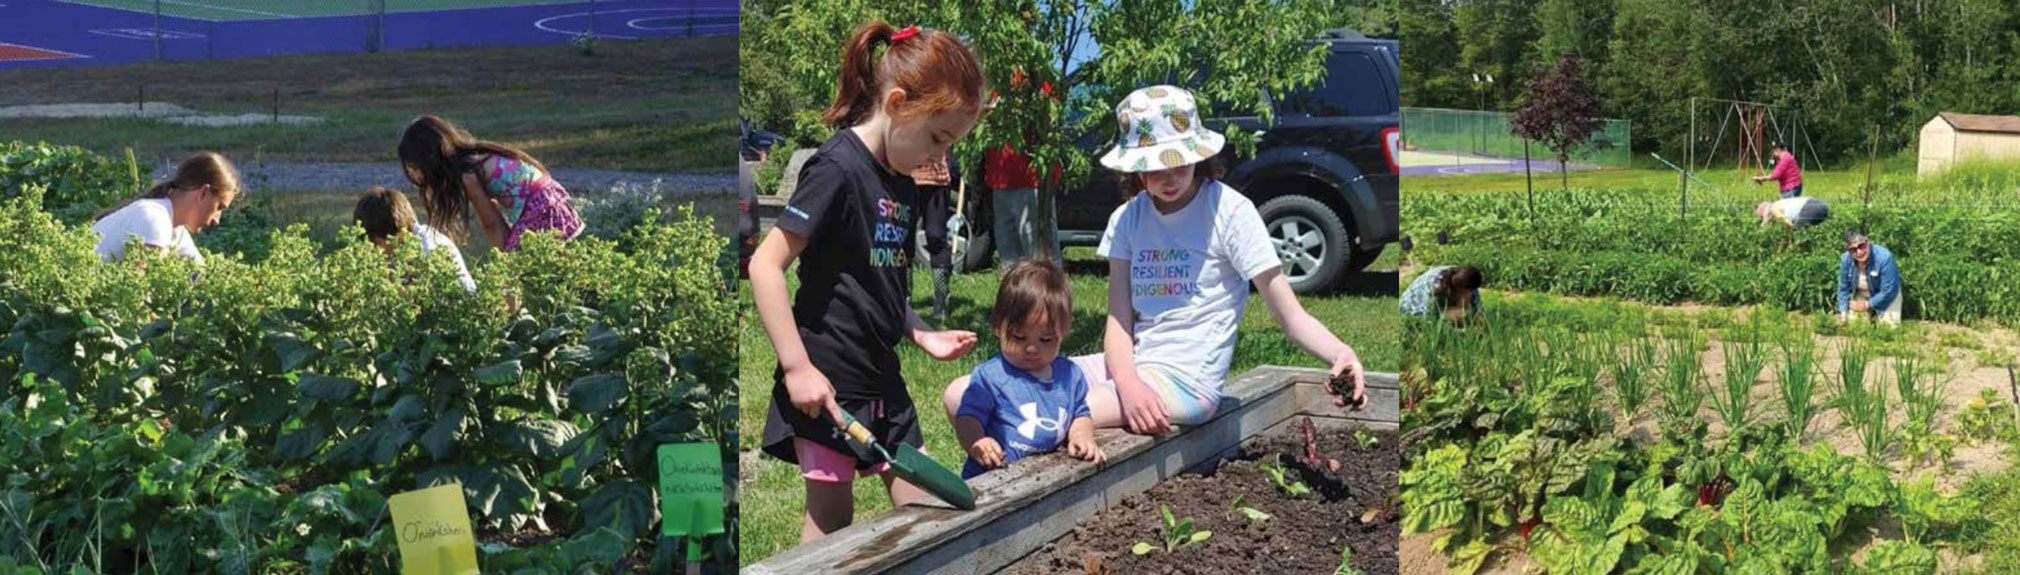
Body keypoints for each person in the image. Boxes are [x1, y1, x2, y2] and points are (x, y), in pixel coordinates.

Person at [946, 85, 1363, 438]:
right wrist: (1127, 382)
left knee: (1051, 413)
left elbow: (1289, 315)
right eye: (1153, 165)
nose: (1169, 176)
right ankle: (991, 485)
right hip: (1130, 368)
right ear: (1134, 168)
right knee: (966, 392)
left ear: (1198, 155)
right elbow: (1118, 319)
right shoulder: (1129, 218)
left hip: (1186, 382)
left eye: (1179, 161)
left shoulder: (1230, 212)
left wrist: (1340, 353)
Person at [750, 21, 985, 543]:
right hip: (828, 381)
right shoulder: (836, 167)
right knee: (833, 520)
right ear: (898, 103)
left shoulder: (901, 180)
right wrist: (797, 368)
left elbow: (881, 279)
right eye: (937, 138)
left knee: (925, 505)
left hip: (883, 376)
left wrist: (920, 330)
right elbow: (764, 266)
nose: (939, 158)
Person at [953, 259, 1102, 479]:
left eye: (1046, 339)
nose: (1032, 348)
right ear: (997, 326)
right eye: (1019, 337)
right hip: (992, 479)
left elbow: (1080, 413)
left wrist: (1082, 436)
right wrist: (977, 441)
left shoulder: (1069, 376)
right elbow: (967, 417)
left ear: (1063, 332)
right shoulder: (992, 377)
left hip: (1044, 476)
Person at [398, 114, 583, 253]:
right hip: (550, 201)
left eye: (416, 167)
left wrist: (501, 263)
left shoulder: (467, 174)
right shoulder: (473, 159)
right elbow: (495, 216)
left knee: (513, 269)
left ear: (431, 159)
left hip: (542, 210)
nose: (416, 175)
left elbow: (492, 224)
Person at [92, 152, 240, 265]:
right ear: (204, 193)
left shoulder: (175, 229)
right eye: (219, 207)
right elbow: (140, 292)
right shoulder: (155, 218)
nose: (217, 220)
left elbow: (201, 277)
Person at [983, 68, 1060, 268]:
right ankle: (1014, 297)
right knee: (1008, 254)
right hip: (1000, 178)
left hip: (1030, 179)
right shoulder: (994, 83)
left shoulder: (1037, 79)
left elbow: (1051, 121)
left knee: (1038, 254)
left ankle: (1047, 297)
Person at [354, 186, 477, 294]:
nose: (372, 250)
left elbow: (421, 298)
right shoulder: (404, 248)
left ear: (397, 233)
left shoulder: (426, 247)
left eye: (375, 243)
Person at [914, 152, 960, 318]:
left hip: (936, 179)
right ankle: (902, 300)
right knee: (902, 239)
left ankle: (941, 298)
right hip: (905, 175)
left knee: (935, 235)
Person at [1837, 232, 1902, 325]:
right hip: (1862, 293)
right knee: (1856, 326)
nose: (1859, 252)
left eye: (1862, 246)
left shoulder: (1884, 257)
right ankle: (1870, 317)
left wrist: (1868, 304)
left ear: (1868, 243)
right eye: (1853, 250)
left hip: (1886, 295)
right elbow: (1843, 287)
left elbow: (1888, 291)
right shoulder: (1846, 259)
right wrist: (1843, 312)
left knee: (1889, 329)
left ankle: (1877, 315)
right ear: (1848, 251)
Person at [1400, 265, 1482, 323]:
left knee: (1461, 312)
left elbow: (1477, 304)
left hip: (1444, 297)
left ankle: (1450, 318)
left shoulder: (1466, 278)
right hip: (1412, 306)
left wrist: (1479, 318)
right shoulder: (1434, 283)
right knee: (1455, 314)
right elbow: (1428, 315)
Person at [1756, 196, 1828, 229]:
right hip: (1820, 205)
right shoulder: (1780, 203)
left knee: (1797, 232)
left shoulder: (1773, 208)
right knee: (1804, 230)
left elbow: (1783, 217)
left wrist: (1791, 226)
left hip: (1809, 208)